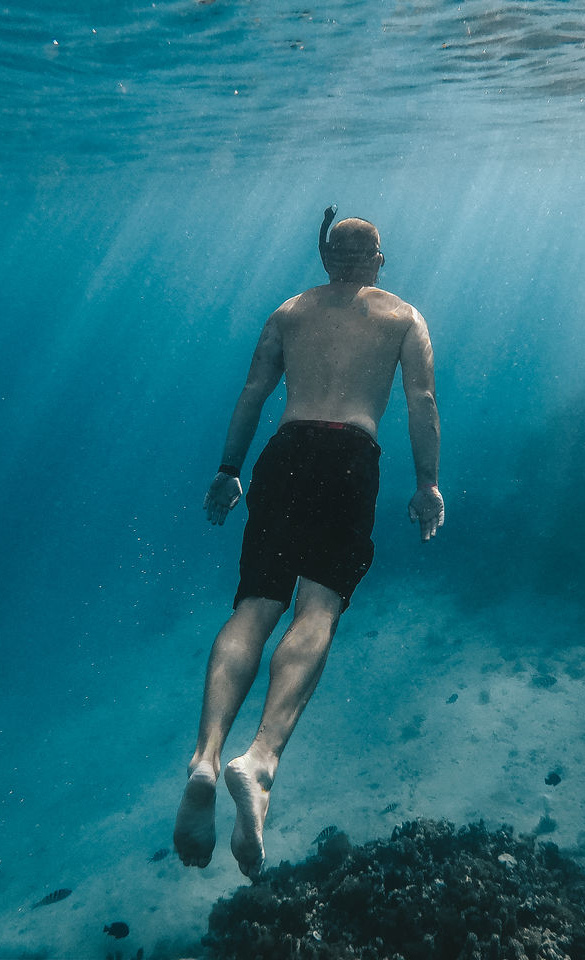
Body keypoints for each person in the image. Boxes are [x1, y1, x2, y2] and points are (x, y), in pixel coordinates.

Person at [172, 206, 444, 878]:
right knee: (316, 609)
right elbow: (422, 402)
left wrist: (229, 470)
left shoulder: (287, 313)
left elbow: (254, 391)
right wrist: (428, 483)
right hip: (350, 457)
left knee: (253, 608)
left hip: (285, 452)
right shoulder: (403, 317)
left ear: (325, 260)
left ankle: (205, 757)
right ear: (377, 262)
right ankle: (259, 761)